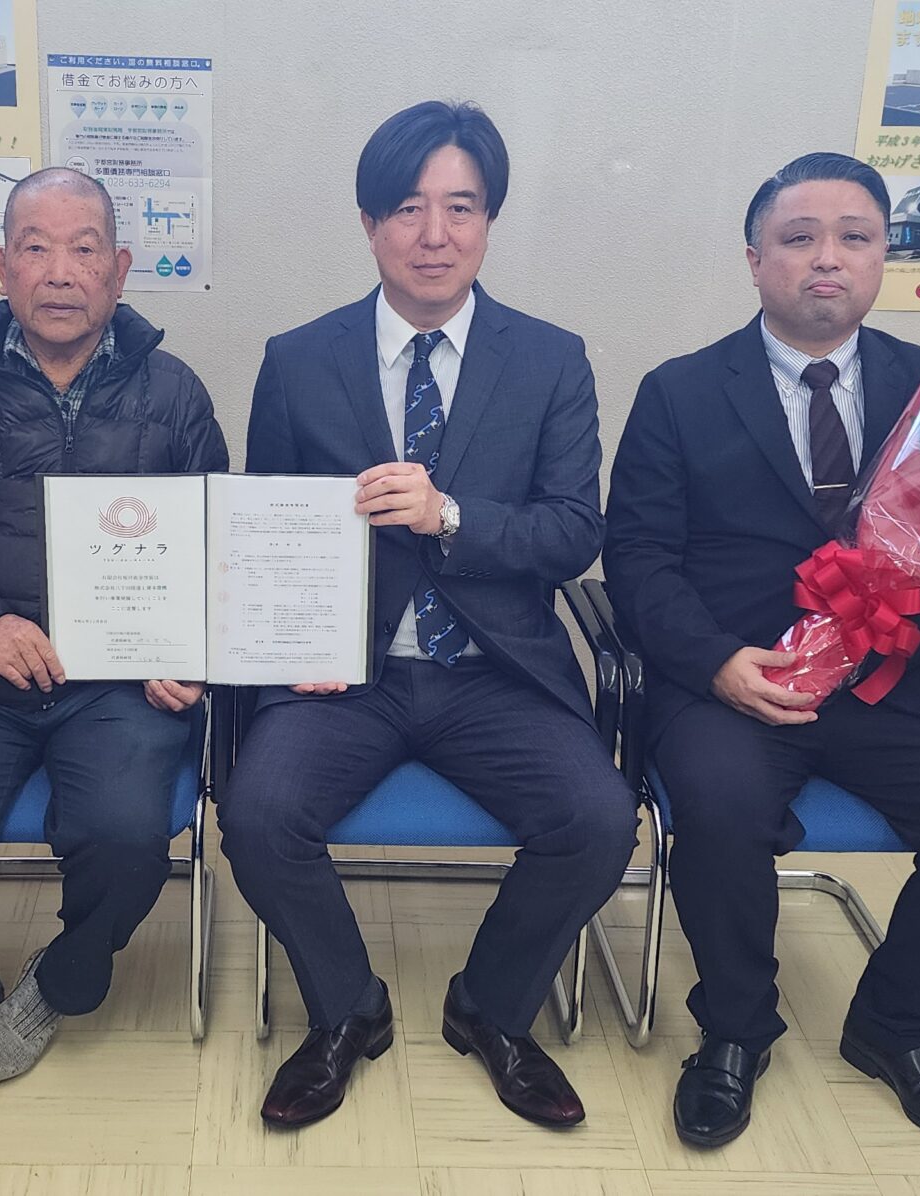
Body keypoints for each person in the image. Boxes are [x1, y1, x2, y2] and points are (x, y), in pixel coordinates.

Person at [604, 151, 920, 1153]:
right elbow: (635, 557)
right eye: (798, 239)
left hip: (889, 672)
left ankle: (895, 1024)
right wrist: (715, 661)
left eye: (855, 237)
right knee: (719, 810)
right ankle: (734, 1031)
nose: (826, 258)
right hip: (735, 676)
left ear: (885, 256)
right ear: (755, 259)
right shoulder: (679, 391)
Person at [220, 101, 639, 1130]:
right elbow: (264, 520)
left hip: (496, 669)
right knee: (258, 815)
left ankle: (490, 1005)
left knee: (597, 821)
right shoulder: (298, 357)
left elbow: (573, 531)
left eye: (461, 207)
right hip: (342, 670)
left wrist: (451, 516)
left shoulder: (549, 360)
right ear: (369, 224)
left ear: (489, 221)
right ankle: (346, 1008)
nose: (435, 234)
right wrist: (288, 639)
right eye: (408, 208)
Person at [0, 167, 230, 1103]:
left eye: (83, 248)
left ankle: (64, 981)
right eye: (36, 247)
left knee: (128, 833)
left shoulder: (174, 393)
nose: (60, 271)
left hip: (119, 687)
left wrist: (188, 652)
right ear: (2, 266)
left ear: (120, 270)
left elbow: (218, 540)